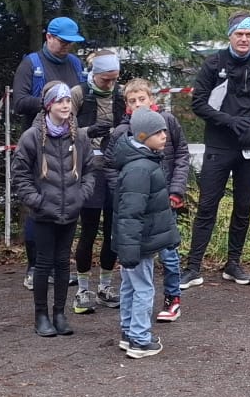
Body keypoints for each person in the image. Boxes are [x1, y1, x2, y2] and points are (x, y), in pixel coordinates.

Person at [187, 14, 250, 286]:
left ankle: (233, 264)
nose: (243, 39)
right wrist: (229, 121)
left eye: (248, 35)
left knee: (243, 207)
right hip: (219, 145)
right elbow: (198, 103)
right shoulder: (214, 63)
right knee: (207, 206)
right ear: (230, 35)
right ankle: (193, 267)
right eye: (239, 34)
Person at [14, 81, 101, 337]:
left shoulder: (79, 136)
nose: (65, 105)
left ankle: (59, 314)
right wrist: (37, 201)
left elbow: (90, 170)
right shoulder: (32, 137)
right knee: (43, 264)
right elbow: (20, 175)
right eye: (60, 101)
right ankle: (41, 316)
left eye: (67, 101)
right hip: (43, 213)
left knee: (63, 263)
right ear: (48, 105)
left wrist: (80, 196)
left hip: (70, 210)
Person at [9, 17, 91, 277]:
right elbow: (19, 102)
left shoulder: (75, 64)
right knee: (40, 208)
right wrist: (51, 102)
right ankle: (35, 267)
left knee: (65, 205)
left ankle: (59, 268)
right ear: (49, 37)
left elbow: (82, 100)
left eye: (71, 42)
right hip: (39, 144)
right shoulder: (31, 64)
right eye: (63, 41)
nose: (67, 46)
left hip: (69, 143)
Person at [116, 77, 193, 323]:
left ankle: (173, 297)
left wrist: (176, 190)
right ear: (127, 105)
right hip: (139, 204)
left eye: (142, 99)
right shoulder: (123, 130)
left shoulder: (168, 122)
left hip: (165, 200)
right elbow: (112, 166)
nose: (138, 104)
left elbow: (182, 155)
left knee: (169, 254)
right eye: (132, 101)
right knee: (139, 258)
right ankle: (135, 314)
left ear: (152, 99)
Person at [109, 109, 180, 360]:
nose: (164, 136)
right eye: (157, 132)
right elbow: (131, 213)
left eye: (164, 131)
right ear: (142, 136)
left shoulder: (145, 162)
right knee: (143, 289)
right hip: (138, 244)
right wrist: (130, 250)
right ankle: (139, 339)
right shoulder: (140, 169)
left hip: (137, 242)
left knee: (131, 286)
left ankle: (129, 332)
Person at [70, 50, 129, 314]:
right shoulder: (78, 94)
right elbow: (61, 128)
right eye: (106, 79)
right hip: (89, 172)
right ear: (94, 74)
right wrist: (86, 132)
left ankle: (106, 286)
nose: (110, 84)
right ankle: (83, 290)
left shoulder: (121, 94)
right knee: (88, 231)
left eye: (114, 79)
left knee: (113, 232)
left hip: (115, 171)